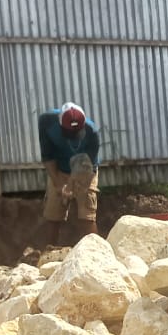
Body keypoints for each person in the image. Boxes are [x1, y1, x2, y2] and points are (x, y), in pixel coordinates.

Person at [39, 102, 101, 246]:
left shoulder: (92, 132)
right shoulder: (46, 122)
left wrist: (72, 185)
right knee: (53, 215)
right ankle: (49, 253)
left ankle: (97, 252)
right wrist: (58, 184)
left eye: (76, 133)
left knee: (87, 216)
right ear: (60, 124)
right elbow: (47, 157)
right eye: (69, 133)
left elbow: (89, 165)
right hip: (59, 169)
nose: (73, 137)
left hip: (84, 169)